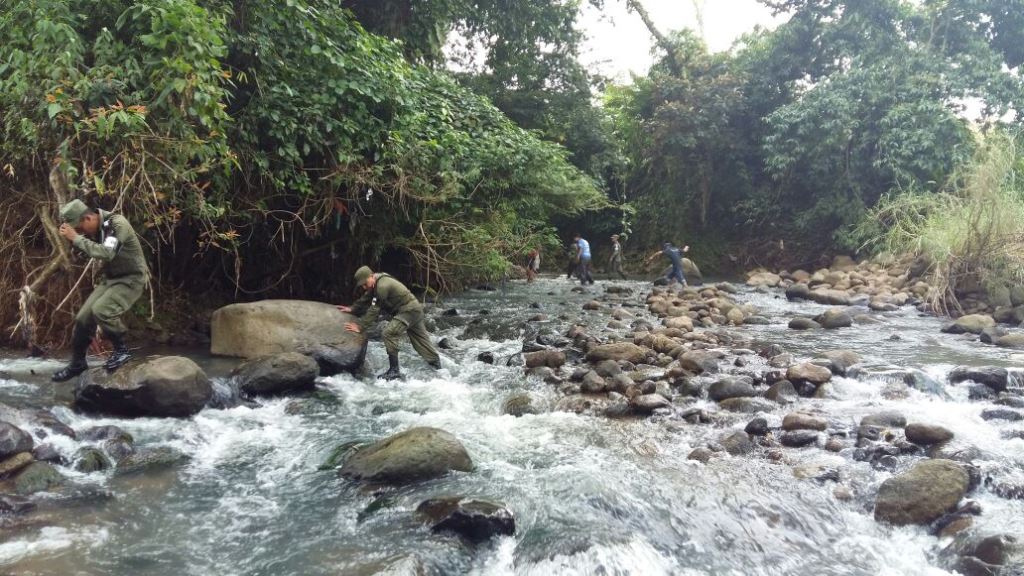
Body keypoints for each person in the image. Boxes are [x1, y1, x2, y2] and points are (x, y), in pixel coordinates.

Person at [52, 199, 148, 381]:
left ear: (88, 218)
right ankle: (78, 363)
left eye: (80, 228)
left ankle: (122, 351)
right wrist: (77, 240)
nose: (81, 233)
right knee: (83, 318)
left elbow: (106, 253)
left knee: (102, 310)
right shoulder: (96, 228)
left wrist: (76, 238)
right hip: (111, 279)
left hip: (131, 279)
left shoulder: (117, 224)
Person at [338, 266, 441, 380]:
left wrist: (360, 326)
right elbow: (366, 298)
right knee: (422, 341)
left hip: (408, 311)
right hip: (414, 310)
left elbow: (374, 310)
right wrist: (353, 309)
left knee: (388, 333)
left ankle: (394, 370)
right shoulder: (375, 282)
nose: (364, 287)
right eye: (361, 285)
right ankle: (439, 369)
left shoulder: (382, 286)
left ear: (371, 275)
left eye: (365, 283)